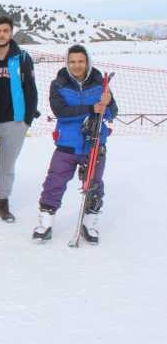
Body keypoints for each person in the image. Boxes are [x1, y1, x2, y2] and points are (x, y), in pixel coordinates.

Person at [32, 45, 117, 244]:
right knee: (54, 182)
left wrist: (107, 105)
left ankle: (89, 223)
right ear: (67, 63)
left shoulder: (100, 84)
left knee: (94, 185)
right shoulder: (59, 84)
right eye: (72, 61)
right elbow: (60, 111)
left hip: (94, 144)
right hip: (67, 143)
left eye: (80, 61)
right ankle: (45, 223)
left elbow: (113, 111)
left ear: (87, 62)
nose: (76, 65)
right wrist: (91, 108)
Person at [0, 16, 38, 222]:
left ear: (11, 33)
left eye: (5, 30)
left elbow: (31, 89)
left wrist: (27, 119)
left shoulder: (22, 58)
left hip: (15, 122)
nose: (2, 34)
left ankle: (3, 203)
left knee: (7, 166)